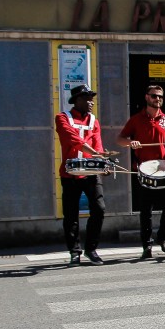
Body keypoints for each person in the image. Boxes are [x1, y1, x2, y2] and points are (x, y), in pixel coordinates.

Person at [117, 84, 165, 260]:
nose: (157, 99)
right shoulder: (136, 119)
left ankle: (163, 237)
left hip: (163, 169)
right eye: (154, 96)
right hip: (144, 170)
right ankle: (147, 245)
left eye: (160, 96)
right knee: (146, 211)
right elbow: (120, 139)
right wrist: (131, 143)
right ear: (146, 97)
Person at [55, 84, 109, 265]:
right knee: (71, 214)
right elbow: (73, 139)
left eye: (92, 99)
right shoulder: (62, 118)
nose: (91, 102)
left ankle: (91, 249)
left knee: (99, 209)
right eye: (87, 99)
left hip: (90, 173)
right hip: (70, 174)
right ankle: (74, 251)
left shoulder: (94, 121)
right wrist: (94, 152)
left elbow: (98, 145)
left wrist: (103, 164)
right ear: (77, 100)